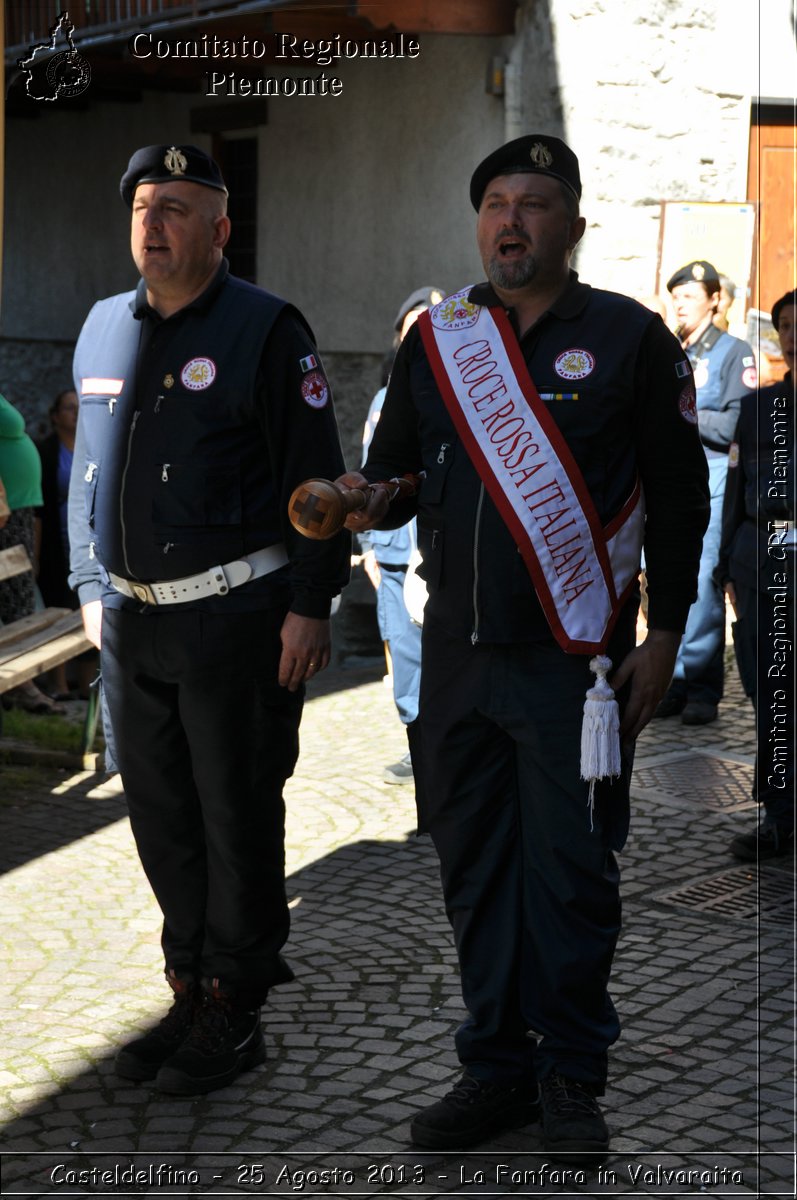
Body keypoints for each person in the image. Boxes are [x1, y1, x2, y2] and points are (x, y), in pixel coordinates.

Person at [335, 135, 709, 1160]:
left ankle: (570, 1077)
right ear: (477, 224)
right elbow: (397, 473)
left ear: (572, 226)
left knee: (572, 873)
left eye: (534, 203)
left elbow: (679, 500)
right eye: (495, 202)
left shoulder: (632, 339)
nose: (511, 220)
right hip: (455, 658)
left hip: (575, 665)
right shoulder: (438, 340)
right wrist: (369, 498)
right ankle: (493, 1067)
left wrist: (666, 632)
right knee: (474, 868)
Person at [68, 144, 349, 1095]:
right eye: (143, 205)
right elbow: (89, 470)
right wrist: (87, 586)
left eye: (177, 208)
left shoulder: (268, 329)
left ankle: (235, 1005)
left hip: (237, 619)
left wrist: (311, 604)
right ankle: (186, 988)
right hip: (134, 624)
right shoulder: (106, 326)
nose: (154, 223)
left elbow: (315, 480)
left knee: (235, 818)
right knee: (160, 822)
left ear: (221, 228)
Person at [654, 260, 756, 725]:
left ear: (715, 301)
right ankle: (670, 682)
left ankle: (700, 686)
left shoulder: (735, 352)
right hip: (667, 481)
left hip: (714, 478)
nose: (680, 304)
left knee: (700, 583)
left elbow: (738, 422)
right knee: (664, 578)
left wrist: (682, 415)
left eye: (690, 296)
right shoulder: (667, 349)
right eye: (676, 296)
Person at [717, 288, 795, 860]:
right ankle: (780, 816)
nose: (792, 335)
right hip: (760, 564)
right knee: (772, 694)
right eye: (785, 325)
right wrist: (725, 565)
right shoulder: (758, 407)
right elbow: (736, 496)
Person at [359, 287, 443, 783]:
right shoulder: (384, 400)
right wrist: (369, 546)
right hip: (393, 552)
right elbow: (373, 473)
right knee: (406, 652)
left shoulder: (464, 398)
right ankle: (419, 746)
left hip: (440, 552)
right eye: (412, 327)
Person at [0, 393, 64, 715]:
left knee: (21, 594)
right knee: (15, 597)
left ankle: (22, 683)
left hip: (17, 506)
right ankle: (20, 684)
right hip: (5, 509)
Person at [37, 389, 97, 698]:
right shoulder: (46, 452)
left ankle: (86, 685)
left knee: (87, 604)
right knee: (59, 604)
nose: (76, 413)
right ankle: (57, 685)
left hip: (89, 541)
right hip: (55, 540)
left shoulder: (94, 448)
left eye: (80, 408)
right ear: (55, 415)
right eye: (69, 408)